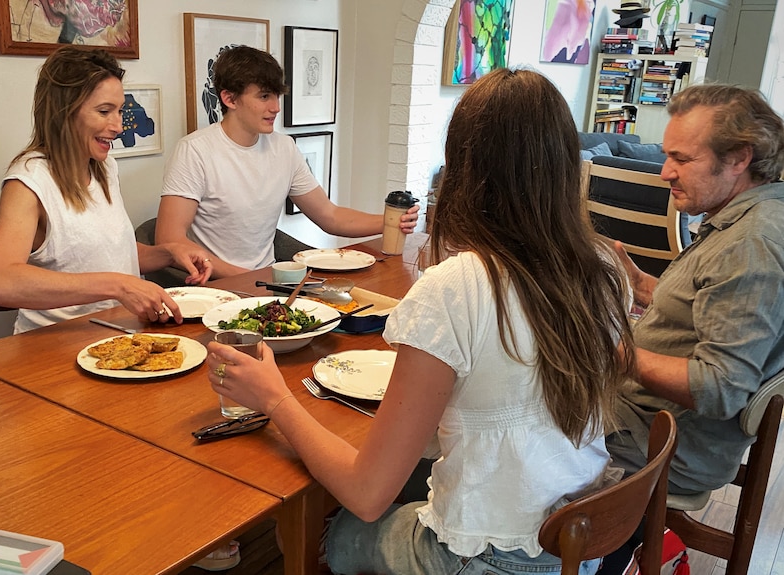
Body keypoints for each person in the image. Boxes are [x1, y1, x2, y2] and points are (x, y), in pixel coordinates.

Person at [205, 68, 635, 574]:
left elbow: (366, 495)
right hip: (574, 542)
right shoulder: (604, 266)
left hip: (489, 558)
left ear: (465, 171)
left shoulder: (458, 287)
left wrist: (273, 397)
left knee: (331, 524)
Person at [605, 84, 784, 495]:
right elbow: (703, 308)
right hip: (646, 417)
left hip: (661, 439)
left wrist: (612, 351)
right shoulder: (749, 215)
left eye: (681, 159)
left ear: (739, 158)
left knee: (508, 417)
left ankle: (569, 551)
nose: (666, 171)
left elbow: (720, 387)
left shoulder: (751, 244)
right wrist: (639, 283)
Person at [0, 46, 213, 333]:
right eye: (105, 111)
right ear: (64, 112)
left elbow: (104, 254)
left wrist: (168, 253)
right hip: (50, 346)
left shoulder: (104, 168)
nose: (117, 126)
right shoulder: (29, 180)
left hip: (114, 335)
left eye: (119, 111)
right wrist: (117, 286)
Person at [156, 45, 419, 279]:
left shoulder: (284, 148)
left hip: (269, 280)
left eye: (277, 96)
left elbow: (330, 216)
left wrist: (391, 221)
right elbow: (169, 239)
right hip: (217, 285)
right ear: (229, 99)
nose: (276, 108)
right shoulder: (194, 151)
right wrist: (251, 278)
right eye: (264, 97)